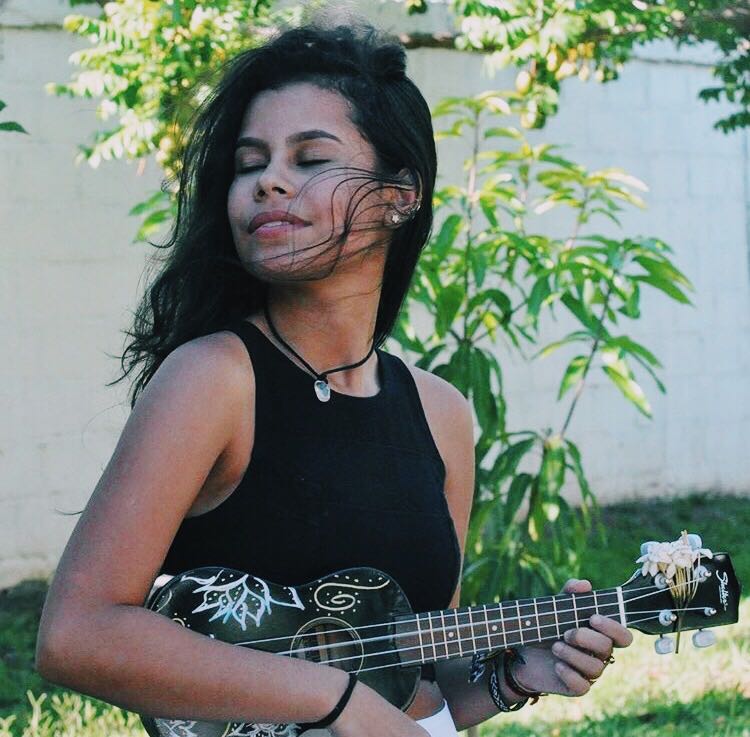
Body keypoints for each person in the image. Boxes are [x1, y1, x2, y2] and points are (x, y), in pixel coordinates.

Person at [35, 16, 632, 737]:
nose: (268, 181)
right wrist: (332, 696)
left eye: (311, 157)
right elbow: (77, 634)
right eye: (250, 164)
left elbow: (410, 677)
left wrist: (510, 677)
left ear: (399, 195)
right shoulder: (215, 379)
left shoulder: (441, 412)